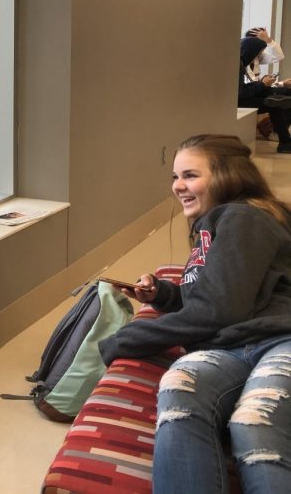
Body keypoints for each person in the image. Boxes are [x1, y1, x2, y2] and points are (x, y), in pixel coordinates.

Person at [98, 134, 291, 493]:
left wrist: (123, 340)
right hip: (229, 347)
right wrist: (163, 294)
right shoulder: (215, 224)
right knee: (178, 388)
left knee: (255, 419)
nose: (178, 186)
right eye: (174, 177)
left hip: (279, 340)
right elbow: (212, 293)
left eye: (189, 175)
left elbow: (217, 309)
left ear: (227, 176)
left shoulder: (242, 217)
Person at [239, 35, 291, 154]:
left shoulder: (241, 63)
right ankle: (284, 142)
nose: (256, 58)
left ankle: (285, 141)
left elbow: (243, 88)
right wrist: (262, 85)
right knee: (275, 103)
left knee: (278, 97)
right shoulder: (238, 66)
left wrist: (263, 84)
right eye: (257, 54)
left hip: (246, 95)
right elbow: (240, 94)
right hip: (240, 102)